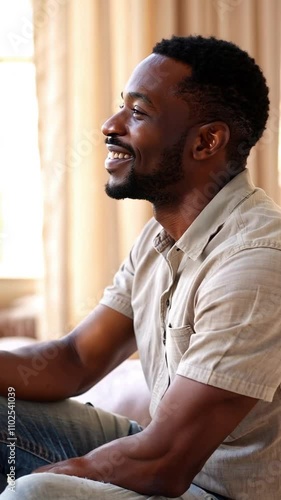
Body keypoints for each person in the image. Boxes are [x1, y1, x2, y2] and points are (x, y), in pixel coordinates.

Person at [0, 34, 280, 500]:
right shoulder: (159, 239)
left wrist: (44, 478)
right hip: (170, 464)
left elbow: (163, 461)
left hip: (216, 491)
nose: (111, 126)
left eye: (138, 112)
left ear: (207, 141)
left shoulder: (257, 263)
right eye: (120, 107)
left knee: (35, 494)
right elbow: (74, 360)